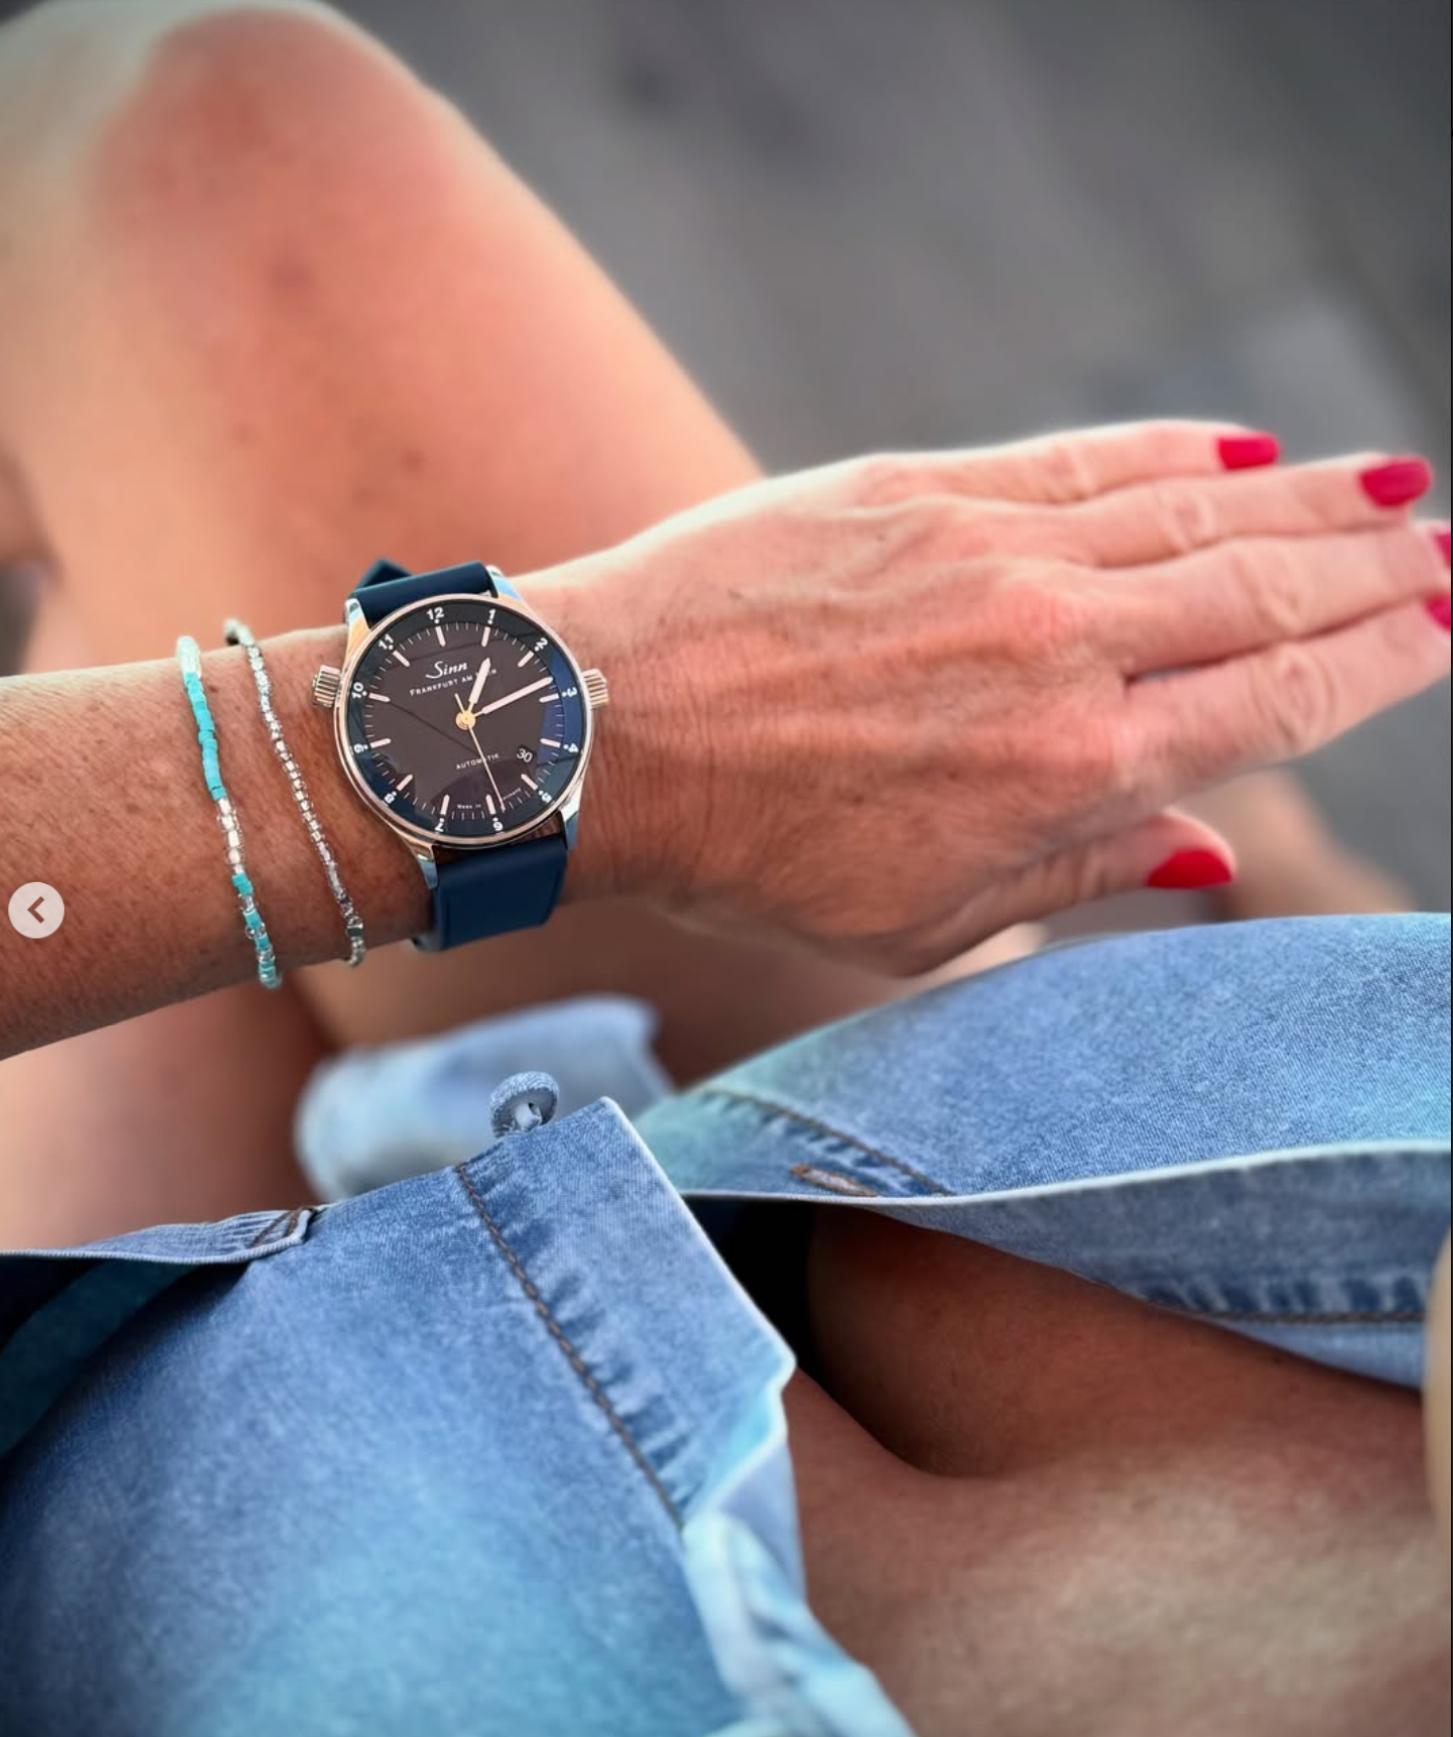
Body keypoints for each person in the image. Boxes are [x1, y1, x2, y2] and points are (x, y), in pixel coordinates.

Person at [0, 5, 1448, 1734]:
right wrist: (627, 737)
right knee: (201, 142)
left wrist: (547, 757)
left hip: (108, 1499)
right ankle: (1299, 878)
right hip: (742, 1130)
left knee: (117, 563)